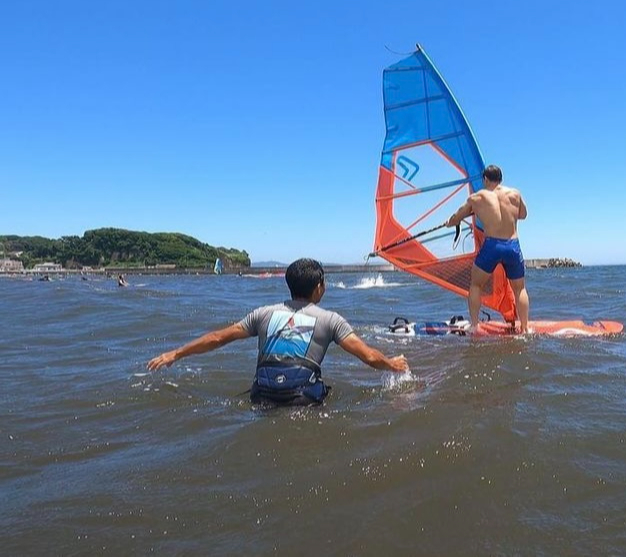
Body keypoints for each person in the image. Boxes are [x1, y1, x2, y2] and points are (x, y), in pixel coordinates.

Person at [147, 258, 409, 406]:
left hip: (262, 396)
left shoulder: (263, 313)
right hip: (302, 400)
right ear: (319, 287)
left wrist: (175, 354)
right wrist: (393, 364)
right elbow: (369, 357)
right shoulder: (330, 320)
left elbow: (217, 338)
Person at [446, 164, 529, 333]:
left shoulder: (477, 198)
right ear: (500, 179)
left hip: (492, 246)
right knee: (520, 288)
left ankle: (475, 326)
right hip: (512, 245)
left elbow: (456, 217)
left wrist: (450, 222)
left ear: (485, 179)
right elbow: (523, 215)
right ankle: (525, 329)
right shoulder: (515, 194)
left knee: (476, 285)